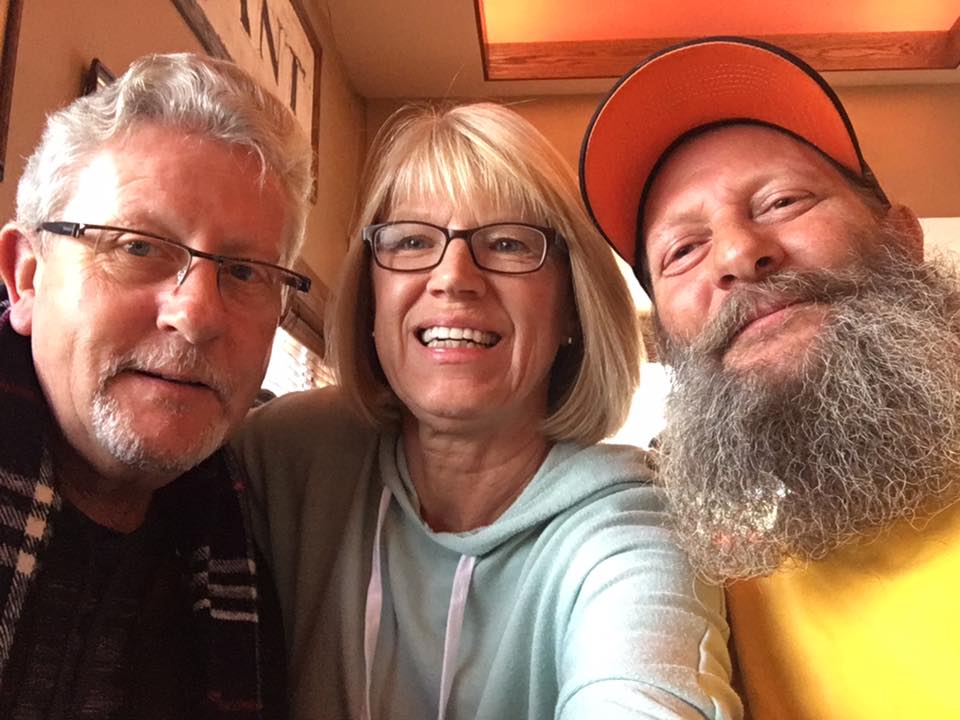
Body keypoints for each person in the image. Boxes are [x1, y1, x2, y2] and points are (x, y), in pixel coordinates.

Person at [234, 102, 741, 719]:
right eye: (413, 241)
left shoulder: (635, 525)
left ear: (572, 307)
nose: (453, 277)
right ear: (372, 297)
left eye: (506, 244)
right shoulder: (285, 453)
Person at [580, 36, 960, 720]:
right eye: (683, 249)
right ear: (669, 338)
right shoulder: (694, 586)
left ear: (903, 239)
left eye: (783, 201)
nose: (737, 252)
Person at [0, 52, 314, 718]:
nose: (196, 315)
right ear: (26, 276)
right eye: (138, 247)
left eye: (244, 272)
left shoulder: (261, 561)